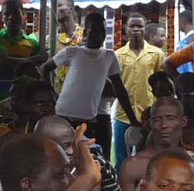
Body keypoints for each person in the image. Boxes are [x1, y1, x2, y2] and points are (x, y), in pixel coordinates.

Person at [45, 10, 133, 138]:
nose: (99, 36)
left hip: (88, 121)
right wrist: (52, 94)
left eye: (102, 32)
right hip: (63, 116)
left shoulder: (109, 56)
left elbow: (120, 89)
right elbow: (45, 68)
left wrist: (132, 119)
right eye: (95, 31)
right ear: (85, 32)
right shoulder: (72, 52)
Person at [112, 13, 164, 167]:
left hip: (147, 115)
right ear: (126, 29)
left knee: (147, 157)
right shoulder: (118, 55)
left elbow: (161, 84)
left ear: (145, 29)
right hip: (123, 116)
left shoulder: (156, 54)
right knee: (121, 158)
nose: (136, 29)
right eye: (132, 26)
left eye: (139, 26)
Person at [0, 0, 42, 109]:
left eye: (15, 13)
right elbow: (1, 61)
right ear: (2, 17)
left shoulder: (32, 43)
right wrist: (33, 60)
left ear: (22, 15)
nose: (11, 17)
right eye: (7, 14)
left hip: (23, 98)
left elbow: (36, 71)